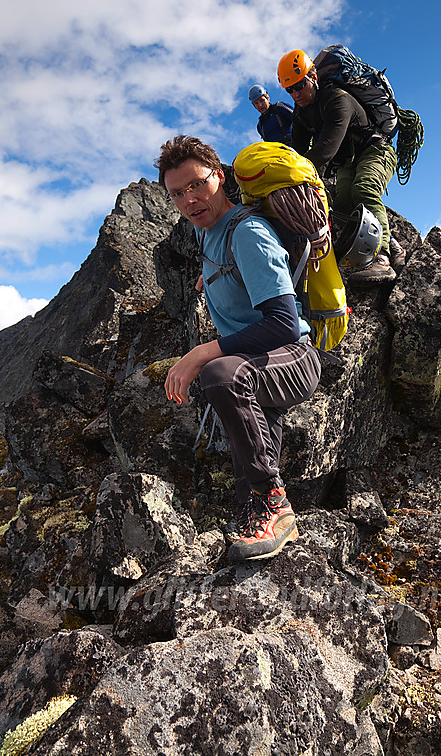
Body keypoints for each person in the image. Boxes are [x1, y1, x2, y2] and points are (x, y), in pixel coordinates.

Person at [156, 135, 321, 562]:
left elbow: (284, 324)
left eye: (197, 184)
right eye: (178, 193)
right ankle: (262, 514)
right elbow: (227, 271)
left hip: (294, 357)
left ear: (220, 177)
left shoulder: (248, 233)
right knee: (246, 457)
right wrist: (210, 280)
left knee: (220, 375)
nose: (189, 199)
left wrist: (201, 352)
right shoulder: (206, 234)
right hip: (260, 361)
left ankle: (276, 506)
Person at [277, 49, 403, 282]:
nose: (295, 93)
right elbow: (299, 151)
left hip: (376, 151)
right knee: (343, 206)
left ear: (313, 77)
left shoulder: (337, 99)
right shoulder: (301, 113)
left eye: (299, 85)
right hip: (348, 160)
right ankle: (392, 243)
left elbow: (326, 148)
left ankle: (383, 257)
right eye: (289, 89)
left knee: (364, 189)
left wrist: (297, 176)